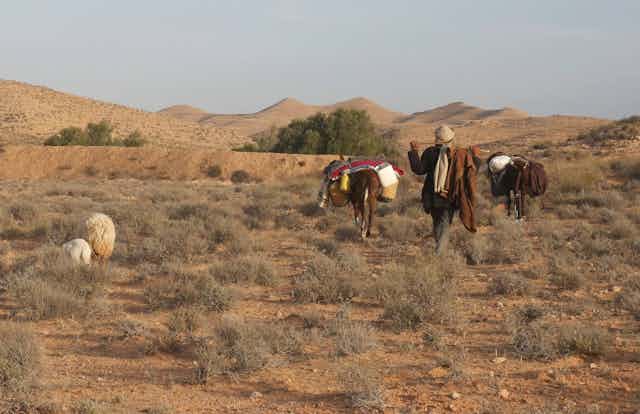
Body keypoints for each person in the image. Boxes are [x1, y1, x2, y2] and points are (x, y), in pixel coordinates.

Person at [408, 125, 481, 254]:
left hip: (431, 196)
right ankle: (440, 254)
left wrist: (414, 151)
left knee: (438, 223)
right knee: (445, 224)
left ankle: (439, 249)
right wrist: (475, 157)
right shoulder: (460, 154)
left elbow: (418, 170)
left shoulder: (430, 152)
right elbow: (471, 172)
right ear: (451, 138)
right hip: (449, 196)